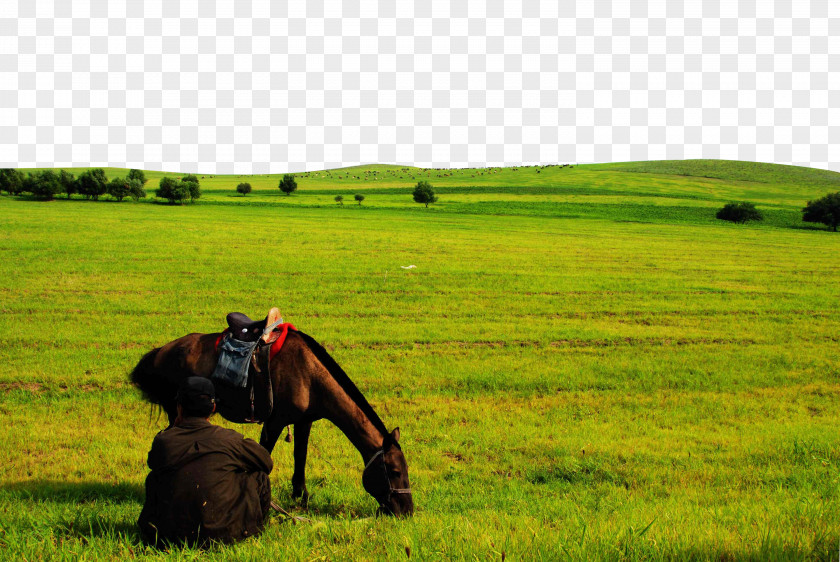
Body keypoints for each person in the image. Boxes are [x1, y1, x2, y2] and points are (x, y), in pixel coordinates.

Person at [138, 377, 274, 547]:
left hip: (168, 536)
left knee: (154, 477)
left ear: (179, 407)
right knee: (259, 476)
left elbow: (155, 463)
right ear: (213, 408)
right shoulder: (230, 439)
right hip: (227, 535)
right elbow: (266, 463)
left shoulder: (163, 441)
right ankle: (256, 527)